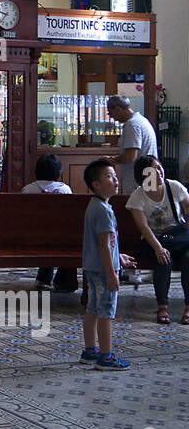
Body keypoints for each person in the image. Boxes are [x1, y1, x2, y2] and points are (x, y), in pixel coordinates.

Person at [80, 158, 138, 369]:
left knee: (93, 308)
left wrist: (119, 256)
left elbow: (105, 244)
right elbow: (104, 245)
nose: (115, 180)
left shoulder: (95, 205)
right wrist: (113, 274)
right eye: (109, 176)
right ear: (96, 184)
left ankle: (89, 351)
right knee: (106, 312)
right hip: (104, 270)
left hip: (93, 267)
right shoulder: (104, 210)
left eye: (115, 176)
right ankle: (106, 357)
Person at [126, 155, 189, 325]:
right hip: (153, 240)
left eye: (159, 168)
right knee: (163, 260)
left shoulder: (174, 187)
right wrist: (158, 248)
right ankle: (163, 307)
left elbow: (188, 207)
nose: (158, 172)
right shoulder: (138, 196)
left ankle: (188, 308)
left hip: (179, 239)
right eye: (152, 170)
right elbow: (144, 227)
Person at [22, 152, 77, 293]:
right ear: (59, 172)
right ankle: (64, 281)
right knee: (64, 237)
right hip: (60, 240)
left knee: (44, 233)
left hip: (30, 238)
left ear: (36, 171)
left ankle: (43, 278)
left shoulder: (28, 190)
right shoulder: (65, 190)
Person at [106, 95, 157, 196]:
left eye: (110, 113)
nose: (112, 117)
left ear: (118, 109)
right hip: (149, 174)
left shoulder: (132, 125)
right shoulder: (142, 121)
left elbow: (130, 157)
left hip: (137, 179)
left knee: (135, 208)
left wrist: (111, 160)